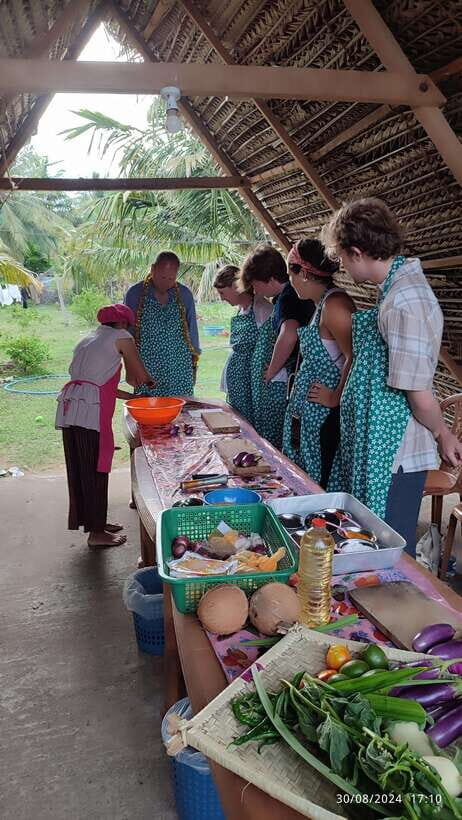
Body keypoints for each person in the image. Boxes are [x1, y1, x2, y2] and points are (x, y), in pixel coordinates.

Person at [321, 197, 462, 556]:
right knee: (368, 539)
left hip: (396, 452)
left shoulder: (406, 302)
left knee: (391, 550)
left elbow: (417, 391)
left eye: (341, 258)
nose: (341, 266)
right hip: (377, 443)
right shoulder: (393, 292)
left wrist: (442, 432)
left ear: (356, 251)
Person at [56, 303, 154, 548]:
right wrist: (150, 383)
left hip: (72, 407)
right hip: (91, 412)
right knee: (96, 470)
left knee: (80, 469)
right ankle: (97, 535)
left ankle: (94, 523)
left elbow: (97, 383)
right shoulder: (122, 336)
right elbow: (138, 376)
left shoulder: (89, 338)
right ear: (123, 323)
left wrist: (130, 398)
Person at [283, 239, 355, 488]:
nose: (289, 281)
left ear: (302, 273)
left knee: (320, 481)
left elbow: (354, 356)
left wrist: (335, 397)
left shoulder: (335, 306)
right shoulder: (320, 304)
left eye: (289, 274)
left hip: (325, 417)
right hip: (309, 413)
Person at [240, 244, 315, 449]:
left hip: (279, 382)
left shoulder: (287, 298)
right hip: (281, 378)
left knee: (272, 441)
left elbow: (289, 334)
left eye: (256, 285)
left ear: (271, 279)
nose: (254, 291)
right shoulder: (286, 295)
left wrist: (271, 371)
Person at [124, 251, 200, 397]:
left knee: (181, 411)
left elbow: (192, 332)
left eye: (171, 278)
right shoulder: (135, 294)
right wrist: (130, 367)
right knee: (149, 411)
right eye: (162, 277)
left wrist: (193, 367)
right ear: (152, 269)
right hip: (146, 368)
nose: (166, 282)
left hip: (179, 368)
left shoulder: (184, 295)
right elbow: (127, 335)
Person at [214, 264, 272, 425]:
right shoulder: (240, 310)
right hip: (238, 382)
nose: (221, 298)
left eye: (222, 292)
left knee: (251, 425)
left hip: (251, 381)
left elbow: (272, 345)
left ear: (235, 286)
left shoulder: (262, 309)